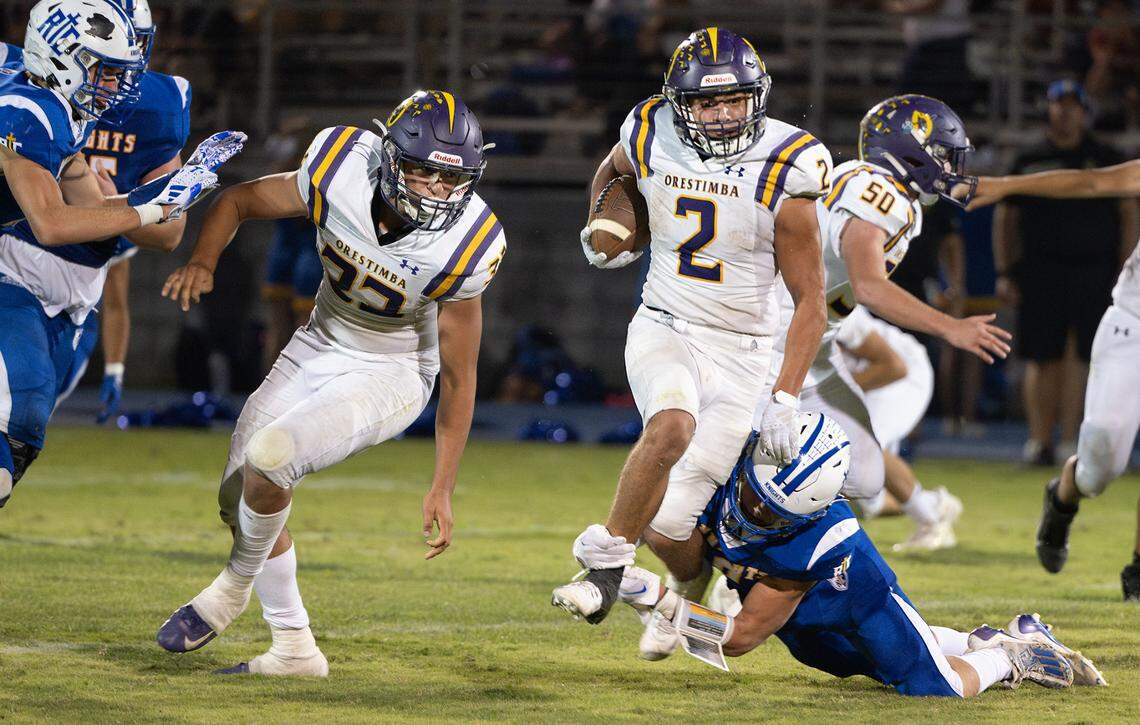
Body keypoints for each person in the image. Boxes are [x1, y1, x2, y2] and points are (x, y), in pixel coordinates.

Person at [155, 90, 507, 676]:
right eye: (422, 173)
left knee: (272, 459)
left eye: (452, 181)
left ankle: (232, 588)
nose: (436, 193)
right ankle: (295, 650)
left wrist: (443, 484)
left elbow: (460, 377)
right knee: (236, 497)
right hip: (318, 342)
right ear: (391, 157)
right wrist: (203, 261)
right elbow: (239, 201)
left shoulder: (469, 243)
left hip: (393, 370)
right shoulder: (341, 164)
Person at [552, 27, 831, 625]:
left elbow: (811, 300)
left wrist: (785, 395)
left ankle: (685, 591)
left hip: (748, 349)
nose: (725, 115)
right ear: (681, 102)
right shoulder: (650, 128)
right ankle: (603, 567)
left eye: (735, 100)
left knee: (671, 525)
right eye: (707, 102)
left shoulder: (789, 164)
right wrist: (607, 223)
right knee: (672, 424)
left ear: (759, 96)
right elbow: (612, 171)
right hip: (667, 321)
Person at [616, 412, 1105, 695]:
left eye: (771, 516)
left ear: (804, 517)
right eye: (749, 496)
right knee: (863, 665)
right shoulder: (727, 461)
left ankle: (1012, 655)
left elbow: (739, 638)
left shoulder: (812, 544)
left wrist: (660, 602)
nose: (749, 516)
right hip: (808, 631)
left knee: (935, 690)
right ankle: (994, 636)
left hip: (859, 605)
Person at [0, 0, 230, 508]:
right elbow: (53, 222)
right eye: (103, 69)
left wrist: (170, 196)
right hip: (11, 267)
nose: (116, 85)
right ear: (60, 55)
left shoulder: (61, 110)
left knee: (25, 422)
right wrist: (151, 210)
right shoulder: (26, 109)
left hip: (60, 284)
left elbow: (94, 207)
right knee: (23, 403)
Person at [969, 156, 1140, 600]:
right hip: (1133, 326)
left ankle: (1139, 568)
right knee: (1103, 460)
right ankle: (1065, 492)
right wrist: (1007, 185)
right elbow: (1090, 181)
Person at [52, 0, 194, 423]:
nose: (120, 65)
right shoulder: (30, 94)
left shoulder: (157, 107)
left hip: (80, 273)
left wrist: (109, 208)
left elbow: (170, 231)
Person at [991, 80, 1136, 466]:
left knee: (1085, 354)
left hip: (1095, 268)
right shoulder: (1029, 157)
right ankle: (1039, 440)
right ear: (1049, 110)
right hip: (1042, 267)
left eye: (1073, 106)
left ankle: (1071, 439)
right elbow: (1007, 217)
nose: (1065, 112)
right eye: (1059, 105)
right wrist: (1006, 269)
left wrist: (1125, 270)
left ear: (1085, 112)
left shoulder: (1105, 155)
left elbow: (1123, 210)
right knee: (1043, 354)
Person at [837, 306, 961, 550]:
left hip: (901, 371)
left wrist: (833, 399)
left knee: (863, 443)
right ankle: (933, 503)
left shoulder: (825, 295)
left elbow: (893, 366)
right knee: (865, 499)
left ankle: (932, 522)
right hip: (862, 382)